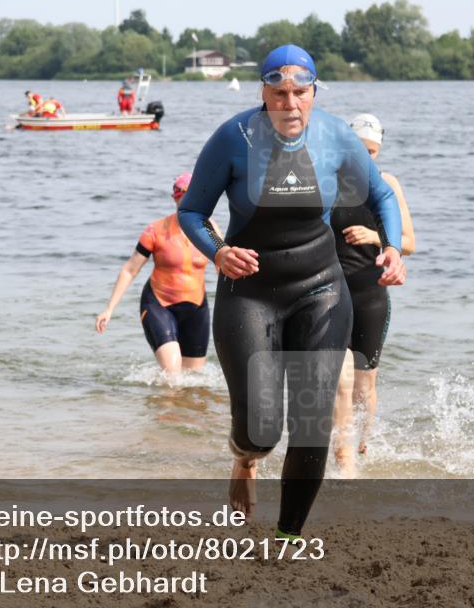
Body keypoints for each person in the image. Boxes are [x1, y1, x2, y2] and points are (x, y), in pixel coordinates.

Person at [178, 44, 406, 539]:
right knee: (260, 431)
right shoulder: (233, 138)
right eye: (279, 93)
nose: (290, 104)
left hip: (321, 289)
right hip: (250, 290)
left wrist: (391, 248)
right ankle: (244, 462)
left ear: (314, 92)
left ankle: (287, 537)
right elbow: (192, 212)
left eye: (300, 93)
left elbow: (381, 193)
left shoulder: (336, 136)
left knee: (312, 420)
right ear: (263, 91)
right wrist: (218, 252)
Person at [331, 114, 416, 475]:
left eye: (372, 152)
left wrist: (375, 237)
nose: (366, 158)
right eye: (360, 150)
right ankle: (341, 452)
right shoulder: (326, 183)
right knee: (338, 377)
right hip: (331, 293)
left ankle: (362, 446)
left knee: (365, 385)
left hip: (371, 294)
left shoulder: (387, 185)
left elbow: (410, 243)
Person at [96, 173, 219, 377]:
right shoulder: (156, 230)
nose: (185, 200)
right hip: (159, 305)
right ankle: (164, 407)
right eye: (180, 195)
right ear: (174, 198)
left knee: (194, 380)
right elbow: (129, 269)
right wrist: (108, 309)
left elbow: (222, 265)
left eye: (191, 195)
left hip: (197, 308)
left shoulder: (210, 228)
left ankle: (173, 407)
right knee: (172, 372)